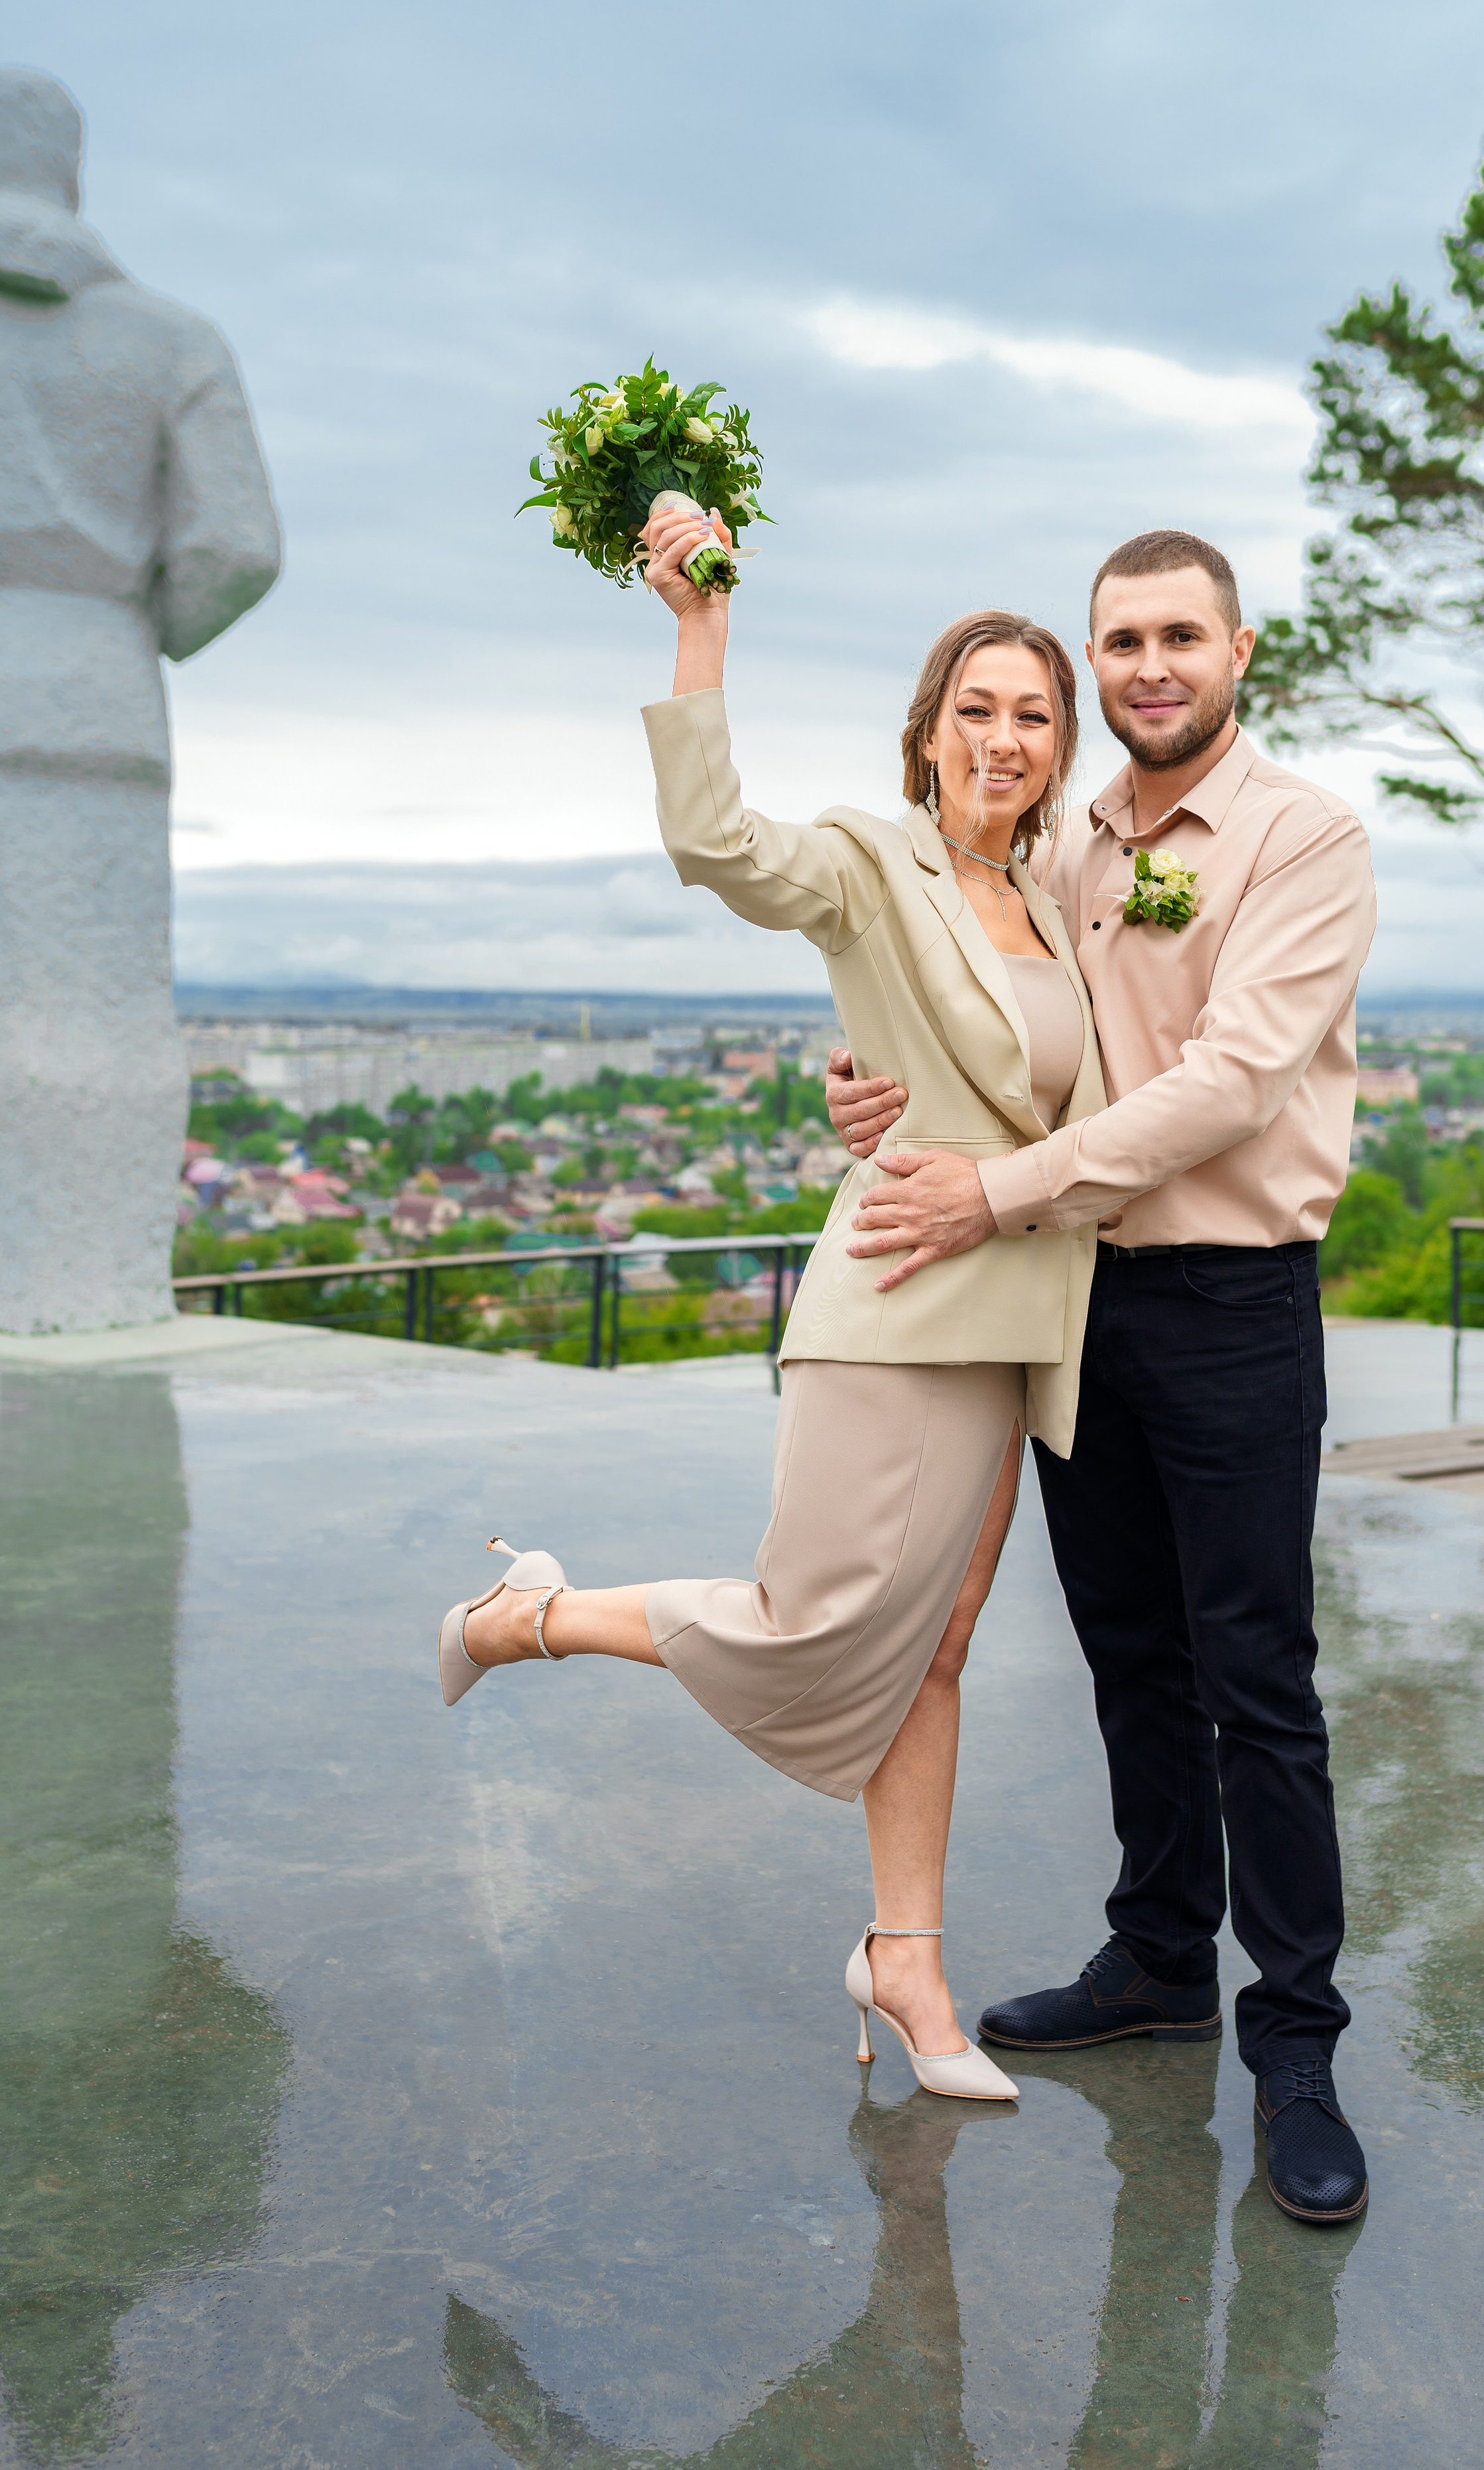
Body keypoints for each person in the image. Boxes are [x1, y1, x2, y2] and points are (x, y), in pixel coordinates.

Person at [434, 501, 1109, 2105]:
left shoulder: (1066, 900)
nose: (1001, 739)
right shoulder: (871, 863)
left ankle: (907, 1961)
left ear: (1057, 744)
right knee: (816, 1620)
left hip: (1017, 1319)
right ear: (926, 734)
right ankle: (521, 1618)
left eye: (1031, 715)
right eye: (975, 711)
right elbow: (718, 844)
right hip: (891, 1298)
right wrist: (698, 625)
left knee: (935, 1648)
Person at [825, 529, 1377, 2223]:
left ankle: (1294, 2047)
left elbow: (1224, 1084)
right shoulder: (1064, 843)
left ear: (1236, 650)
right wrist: (869, 1095)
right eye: (1116, 641)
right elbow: (995, 1034)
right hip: (1075, 1300)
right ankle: (1156, 1963)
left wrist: (988, 1187)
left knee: (1254, 1683)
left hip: (1227, 1302)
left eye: (1174, 638)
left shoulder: (1306, 840)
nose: (1145, 666)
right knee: (1129, 1660)